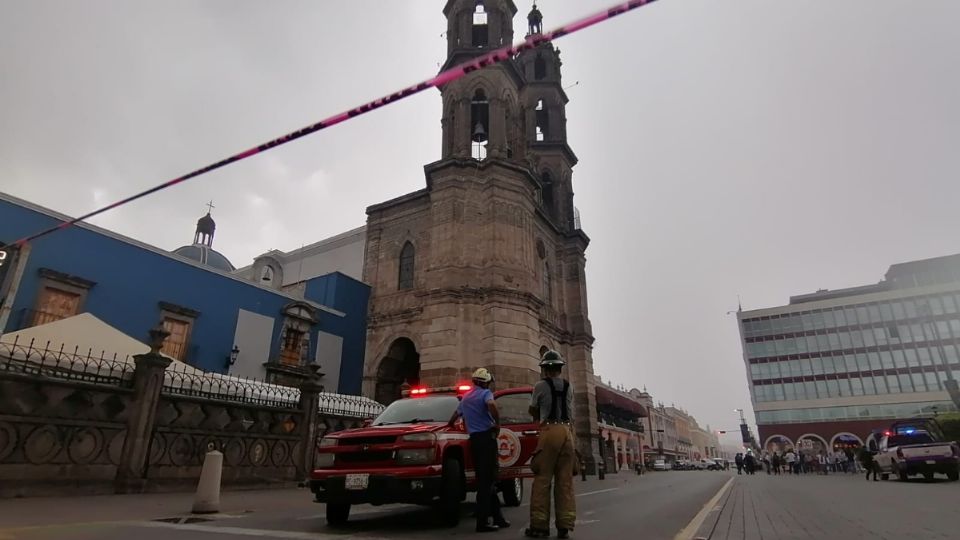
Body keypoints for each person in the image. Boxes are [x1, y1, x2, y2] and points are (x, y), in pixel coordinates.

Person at [448, 368, 509, 533]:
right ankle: (482, 522)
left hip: (474, 440)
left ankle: (498, 518)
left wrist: (450, 425)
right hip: (487, 439)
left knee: (486, 479)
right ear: (486, 382)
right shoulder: (485, 394)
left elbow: (455, 414)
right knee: (486, 482)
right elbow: (491, 404)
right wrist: (497, 423)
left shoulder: (466, 397)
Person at [525, 350, 577, 539]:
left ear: (545, 370)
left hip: (549, 431)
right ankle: (565, 525)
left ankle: (539, 526)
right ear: (560, 369)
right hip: (567, 432)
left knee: (543, 479)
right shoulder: (569, 386)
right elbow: (571, 412)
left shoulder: (540, 386)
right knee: (565, 482)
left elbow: (533, 409)